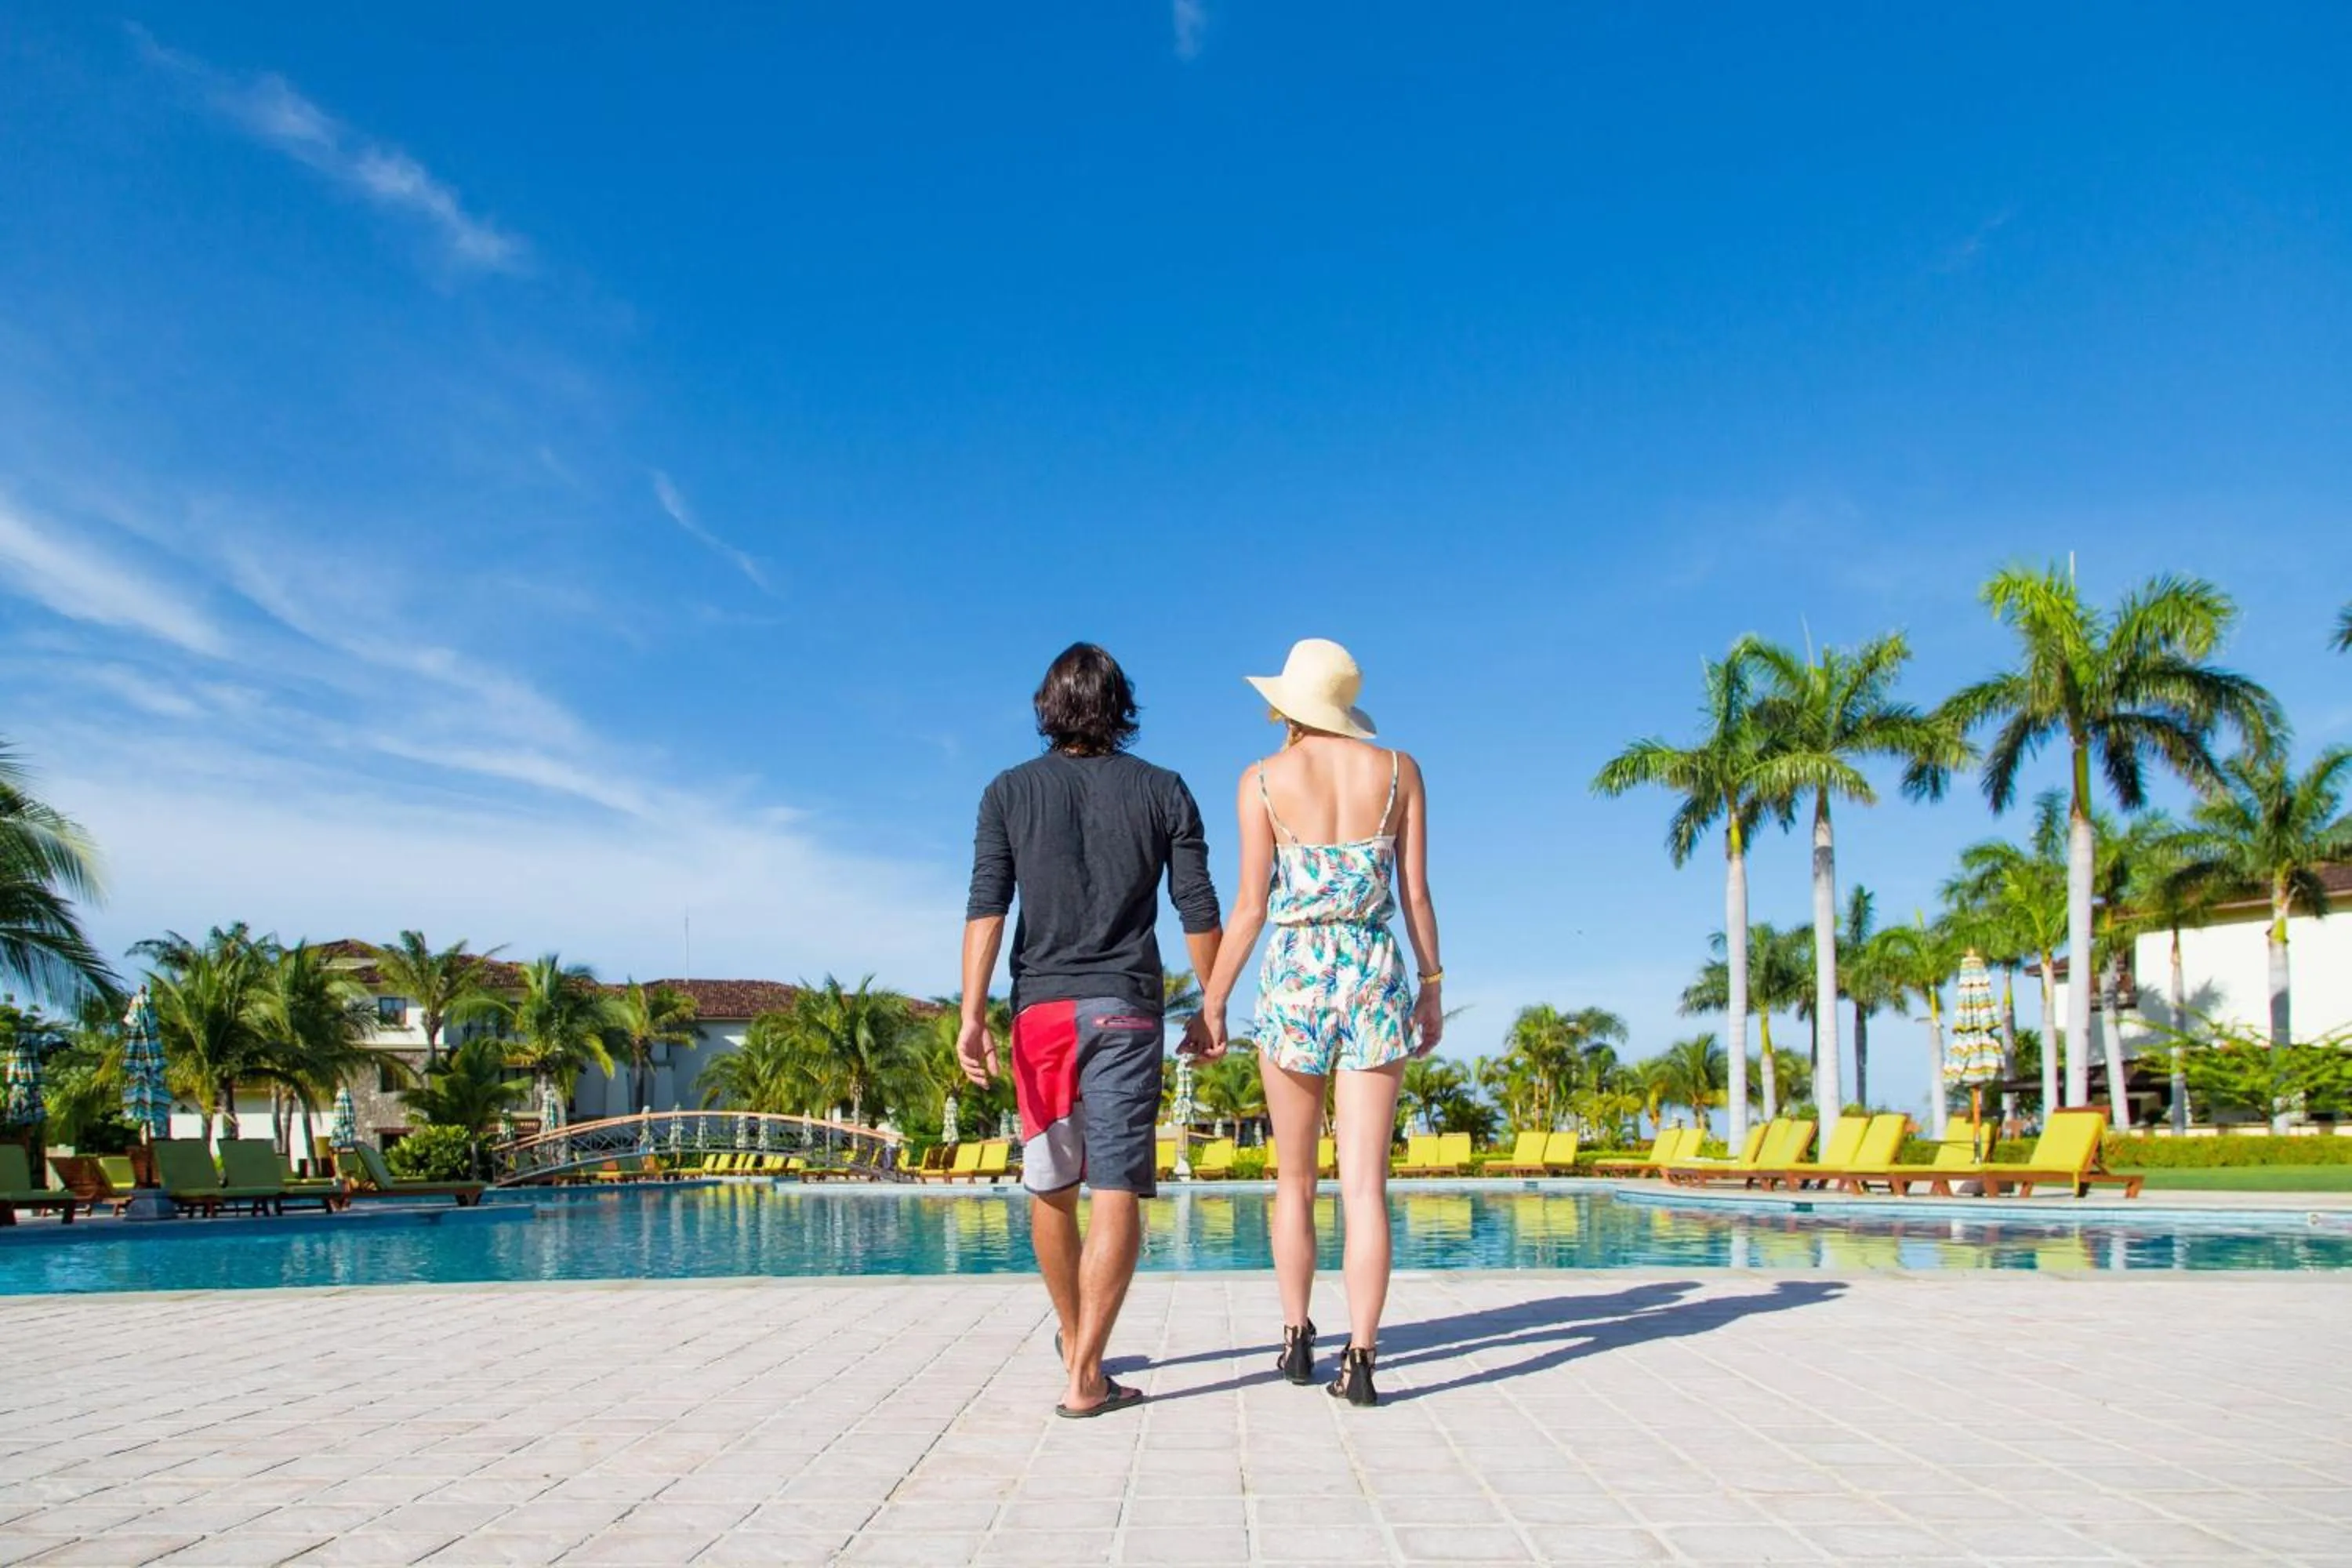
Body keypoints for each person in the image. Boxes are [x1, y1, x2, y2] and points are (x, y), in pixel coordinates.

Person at [959, 642, 1224, 1418]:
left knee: (1051, 1181)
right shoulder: (1164, 789)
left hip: (1040, 1012)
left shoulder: (1007, 791)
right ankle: (1084, 1368)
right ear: (1121, 706)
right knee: (1116, 1184)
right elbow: (1197, 906)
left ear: (1048, 706)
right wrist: (1211, 1005)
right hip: (1126, 1009)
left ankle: (1080, 1349)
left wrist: (972, 1013)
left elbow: (987, 908)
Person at [1198, 637, 1443, 1407]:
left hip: (1296, 974)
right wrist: (1432, 985)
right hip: (1373, 968)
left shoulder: (1261, 780)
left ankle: (1297, 1337)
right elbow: (1417, 894)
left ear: (1287, 705)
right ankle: (1361, 1359)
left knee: (1295, 1179)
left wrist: (1213, 1001)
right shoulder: (1399, 770)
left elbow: (1249, 906)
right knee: (1365, 1185)